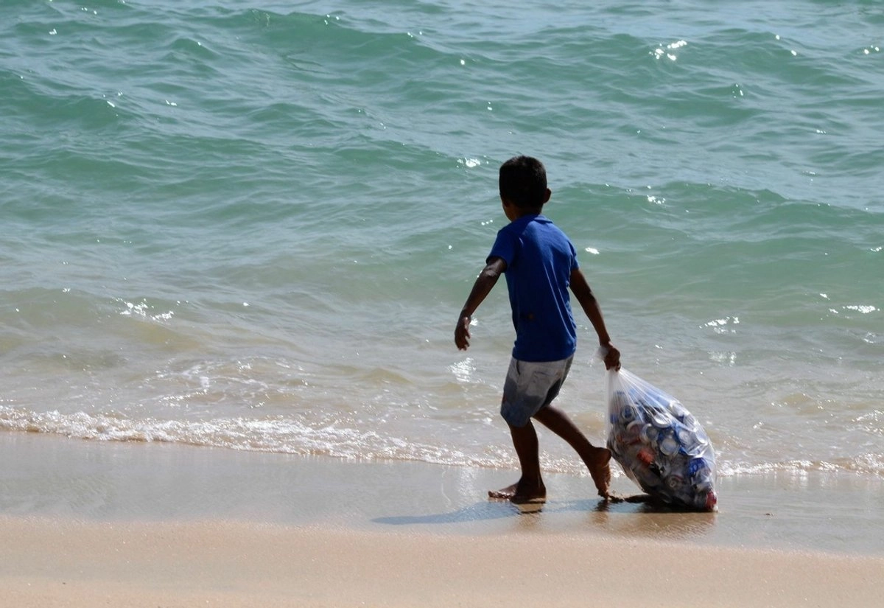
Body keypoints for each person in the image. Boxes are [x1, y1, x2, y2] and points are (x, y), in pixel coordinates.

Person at [454, 155, 621, 504]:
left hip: (537, 348)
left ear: (505, 204)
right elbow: (585, 293)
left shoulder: (511, 235)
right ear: (547, 195)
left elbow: (490, 272)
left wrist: (466, 313)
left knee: (514, 413)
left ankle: (532, 483)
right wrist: (606, 341)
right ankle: (591, 455)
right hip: (565, 344)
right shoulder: (560, 238)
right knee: (537, 405)